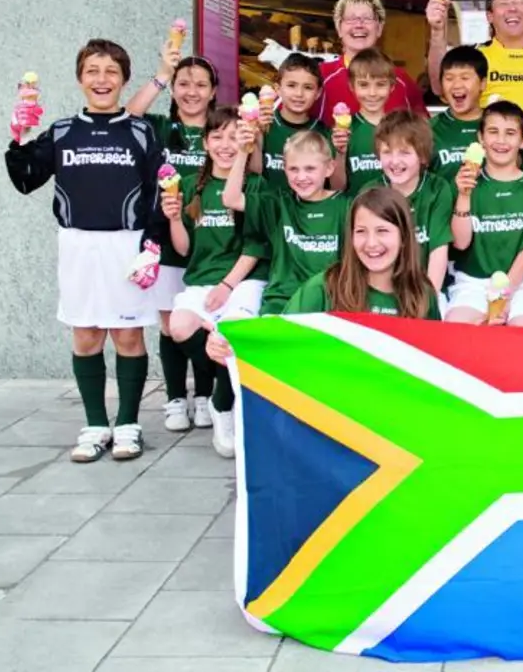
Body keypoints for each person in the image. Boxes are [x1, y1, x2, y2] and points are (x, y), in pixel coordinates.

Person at [7, 39, 160, 463]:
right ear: (79, 79)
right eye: (92, 71)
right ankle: (95, 424)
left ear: (124, 79)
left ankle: (128, 423)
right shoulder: (61, 131)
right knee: (87, 334)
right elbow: (24, 180)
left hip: (127, 245)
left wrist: (152, 246)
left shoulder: (141, 131)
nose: (102, 79)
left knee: (128, 335)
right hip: (77, 245)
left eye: (111, 71)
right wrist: (17, 137)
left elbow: (160, 193)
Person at [205, 187, 441, 365]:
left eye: (382, 231)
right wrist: (231, 344)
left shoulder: (422, 293)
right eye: (361, 232)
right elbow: (277, 338)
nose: (371, 243)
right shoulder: (324, 287)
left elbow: (437, 364)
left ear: (404, 238)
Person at [162, 106, 269, 458]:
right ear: (205, 142)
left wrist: (226, 286)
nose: (225, 144)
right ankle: (233, 387)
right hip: (201, 281)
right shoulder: (191, 185)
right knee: (178, 326)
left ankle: (223, 407)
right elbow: (184, 249)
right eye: (217, 136)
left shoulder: (255, 185)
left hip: (243, 281)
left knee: (230, 332)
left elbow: (256, 245)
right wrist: (175, 219)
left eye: (233, 136)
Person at [125, 45, 218, 433]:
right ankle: (176, 397)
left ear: (214, 91)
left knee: (205, 323)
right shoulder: (161, 128)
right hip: (165, 240)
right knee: (169, 324)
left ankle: (206, 394)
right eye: (184, 83)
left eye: (201, 84)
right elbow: (130, 114)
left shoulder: (221, 130)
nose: (192, 91)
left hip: (213, 243)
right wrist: (162, 72)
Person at [224, 129, 349, 317]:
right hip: (280, 304)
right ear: (285, 169)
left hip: (329, 306)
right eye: (293, 169)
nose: (301, 177)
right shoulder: (279, 203)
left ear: (329, 168)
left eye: (310, 169)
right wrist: (243, 151)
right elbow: (231, 199)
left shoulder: (347, 206)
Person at [446, 100, 523, 327]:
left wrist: (503, 297)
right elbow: (461, 243)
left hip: (522, 284)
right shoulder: (463, 182)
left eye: (510, 133)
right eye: (493, 132)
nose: (501, 141)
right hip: (473, 282)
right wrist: (463, 195)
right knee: (457, 325)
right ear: (481, 138)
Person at [428, 0, 523, 123]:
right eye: (504, 3)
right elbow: (439, 88)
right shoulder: (476, 56)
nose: (512, 8)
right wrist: (437, 30)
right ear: (489, 16)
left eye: (519, 2)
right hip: (488, 144)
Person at [314, 0, 426, 126]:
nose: (359, 25)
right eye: (350, 19)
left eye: (367, 19)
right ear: (339, 28)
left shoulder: (401, 80)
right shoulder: (319, 77)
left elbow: (423, 133)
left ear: (379, 28)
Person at [375, 111, 453, 293]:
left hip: (426, 285)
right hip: (385, 289)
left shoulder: (437, 188)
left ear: (423, 156)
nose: (395, 161)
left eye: (405, 152)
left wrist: (429, 299)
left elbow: (438, 249)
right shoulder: (372, 192)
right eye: (387, 152)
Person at [330, 48, 395, 195]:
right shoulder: (343, 131)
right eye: (364, 85)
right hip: (354, 212)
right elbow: (336, 188)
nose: (372, 93)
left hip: (392, 213)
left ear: (392, 86)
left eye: (380, 84)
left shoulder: (400, 128)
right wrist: (340, 153)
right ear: (352, 86)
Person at [259, 53, 329, 188]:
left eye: (308, 87)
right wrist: (257, 137)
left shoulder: (324, 133)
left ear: (318, 93)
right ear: (278, 89)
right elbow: (254, 174)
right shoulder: (264, 125)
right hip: (270, 207)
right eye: (291, 85)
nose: (299, 94)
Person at [430, 45, 488, 182]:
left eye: (465, 78)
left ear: (483, 83)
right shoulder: (429, 130)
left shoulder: (497, 127)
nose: (456, 85)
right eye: (449, 78)